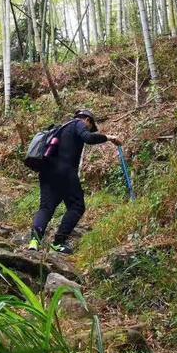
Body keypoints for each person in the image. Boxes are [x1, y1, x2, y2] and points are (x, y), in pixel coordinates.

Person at [28, 108, 120, 254]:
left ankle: (34, 241)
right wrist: (108, 137)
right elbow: (88, 138)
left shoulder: (62, 128)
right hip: (64, 172)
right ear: (88, 120)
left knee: (46, 208)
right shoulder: (79, 124)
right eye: (90, 126)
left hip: (47, 172)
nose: (89, 128)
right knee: (77, 206)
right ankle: (59, 242)